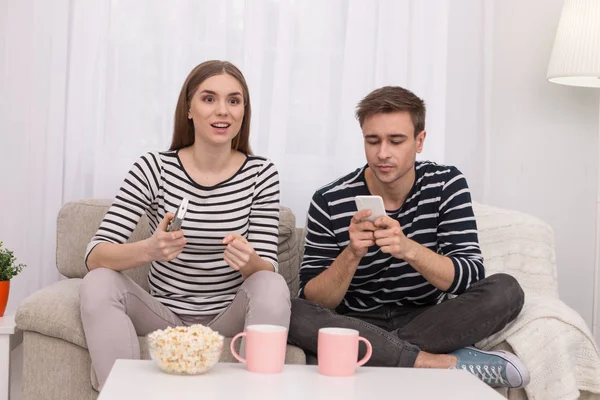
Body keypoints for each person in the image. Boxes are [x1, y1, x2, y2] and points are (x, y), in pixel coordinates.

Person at [288, 86, 530, 389]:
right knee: (291, 311)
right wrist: (351, 254)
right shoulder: (330, 199)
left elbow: (469, 277)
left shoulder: (446, 184)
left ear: (419, 141)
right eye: (372, 141)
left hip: (430, 319)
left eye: (396, 140)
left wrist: (408, 250)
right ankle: (435, 362)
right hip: (358, 322)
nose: (382, 153)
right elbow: (313, 298)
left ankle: (383, 355)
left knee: (506, 290)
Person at [80, 60, 290, 389]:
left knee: (272, 284)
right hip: (164, 316)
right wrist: (148, 249)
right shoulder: (154, 167)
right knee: (97, 283)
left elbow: (268, 269)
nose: (223, 111)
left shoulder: (261, 173)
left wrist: (250, 263)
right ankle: (123, 395)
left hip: (228, 315)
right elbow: (95, 256)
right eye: (209, 99)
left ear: (243, 112)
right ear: (189, 108)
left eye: (234, 101)